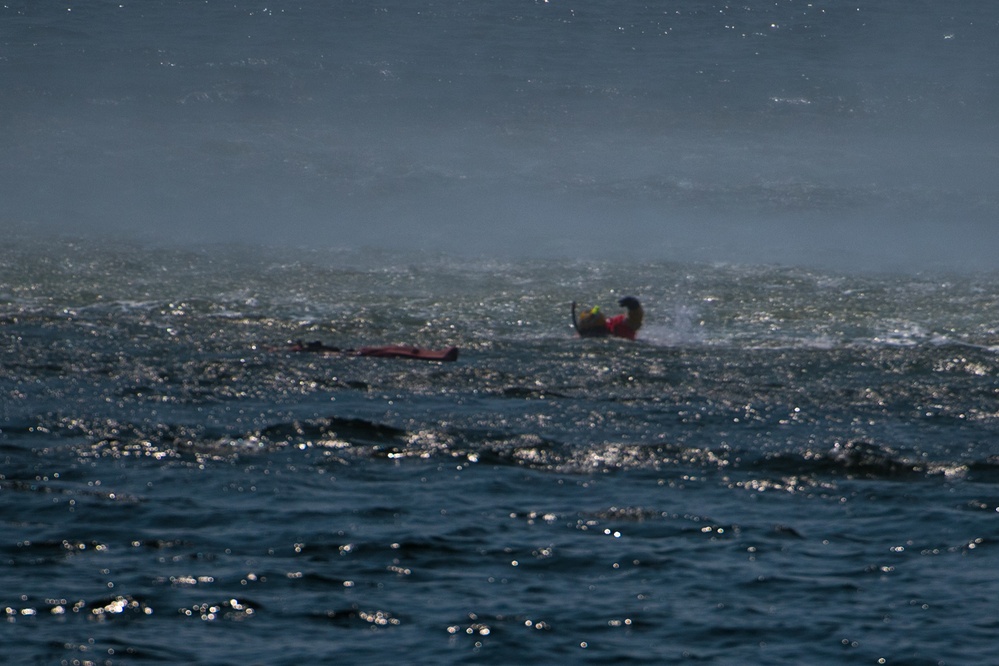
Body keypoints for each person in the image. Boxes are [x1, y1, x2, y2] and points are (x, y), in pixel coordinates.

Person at [575, 296, 643, 340]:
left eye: (595, 331)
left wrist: (634, 306)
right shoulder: (581, 336)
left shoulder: (617, 326)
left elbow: (635, 320)